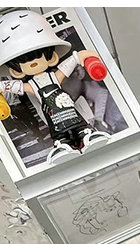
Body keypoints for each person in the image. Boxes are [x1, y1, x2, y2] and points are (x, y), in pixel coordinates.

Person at [0, 10, 110, 164]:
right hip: (53, 116)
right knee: (60, 133)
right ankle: (62, 145)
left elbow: (69, 65)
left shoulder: (54, 77)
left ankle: (87, 136)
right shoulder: (32, 85)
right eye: (24, 61)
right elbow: (14, 86)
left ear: (51, 58)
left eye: (38, 56)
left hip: (68, 110)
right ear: (15, 71)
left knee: (78, 124)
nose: (33, 63)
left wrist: (80, 57)